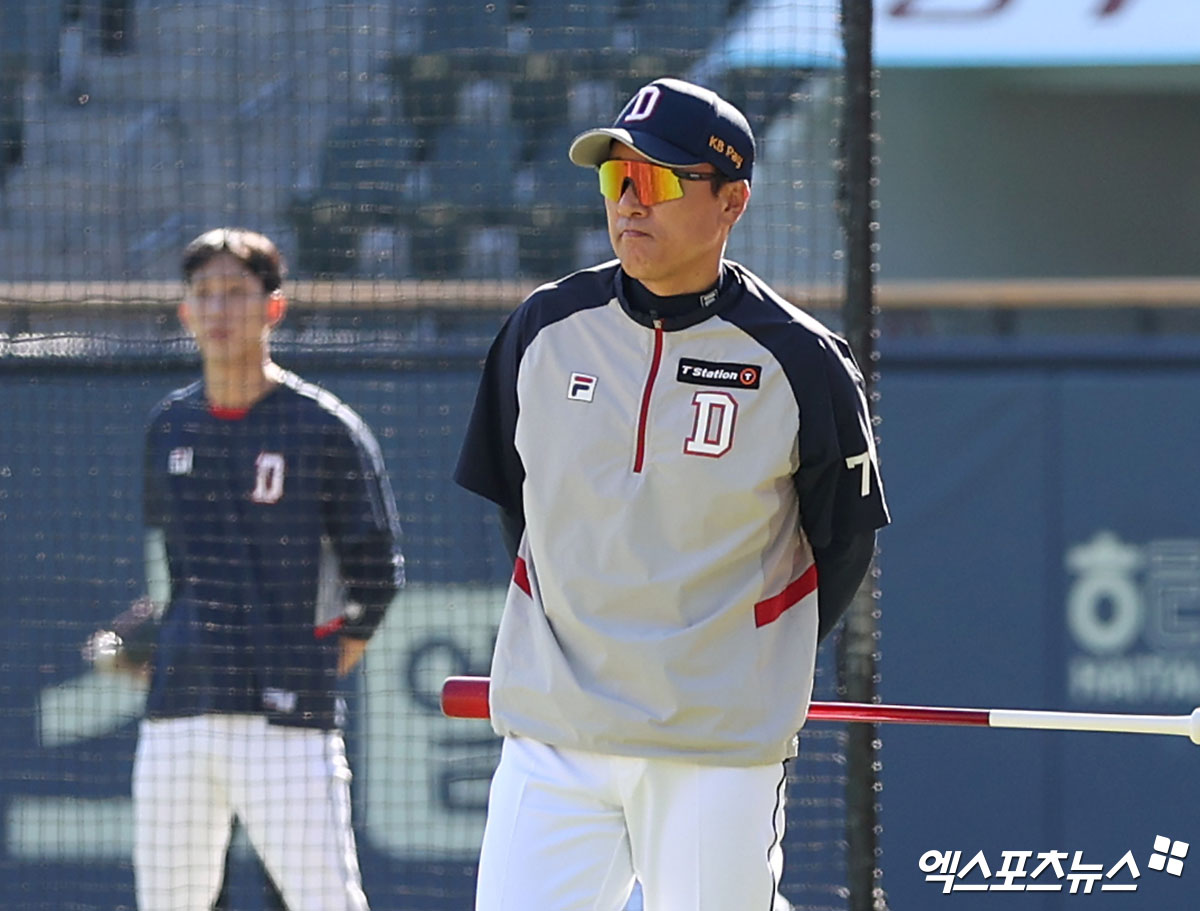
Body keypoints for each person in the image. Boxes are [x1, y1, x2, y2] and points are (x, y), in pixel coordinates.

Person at [454, 78, 890, 910]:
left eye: (656, 180)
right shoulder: (540, 329)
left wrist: (738, 661)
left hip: (714, 748)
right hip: (555, 735)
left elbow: (843, 546)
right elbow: (524, 508)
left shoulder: (803, 360)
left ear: (733, 201)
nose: (630, 202)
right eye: (617, 179)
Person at [124, 228, 403, 911]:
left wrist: (310, 659)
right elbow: (174, 569)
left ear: (273, 307)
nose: (219, 309)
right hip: (178, 717)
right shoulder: (170, 426)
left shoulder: (323, 429)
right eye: (203, 294)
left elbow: (376, 568)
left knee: (326, 901)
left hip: (287, 723)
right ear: (185, 311)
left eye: (236, 293)